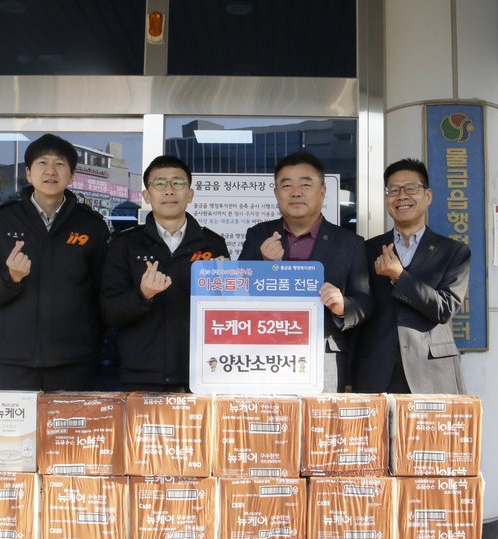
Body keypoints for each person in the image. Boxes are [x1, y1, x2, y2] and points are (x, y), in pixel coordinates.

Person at [0, 133, 109, 391]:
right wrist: (10, 277)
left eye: (59, 164)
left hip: (74, 362)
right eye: (42, 163)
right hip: (13, 362)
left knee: (70, 420)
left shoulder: (91, 225)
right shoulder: (1, 221)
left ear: (72, 176)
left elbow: (103, 295)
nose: (51, 171)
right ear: (29, 173)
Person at [238, 151, 371, 392]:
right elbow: (237, 296)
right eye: (286, 185)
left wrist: (342, 306)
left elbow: (365, 303)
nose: (296, 192)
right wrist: (265, 269)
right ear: (276, 193)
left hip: (325, 361)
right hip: (264, 357)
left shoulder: (350, 243)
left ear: (322, 191)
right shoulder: (258, 235)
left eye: (306, 185)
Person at [101, 155, 229, 392]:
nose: (169, 190)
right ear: (146, 195)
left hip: (201, 374)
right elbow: (110, 314)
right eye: (159, 183)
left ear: (190, 194)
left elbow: (227, 315)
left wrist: (226, 288)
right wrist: (142, 295)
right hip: (141, 375)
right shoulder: (125, 245)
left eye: (177, 183)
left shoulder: (213, 244)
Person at [352, 158, 471, 394]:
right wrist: (348, 375)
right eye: (393, 190)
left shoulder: (453, 251)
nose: (401, 196)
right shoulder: (366, 249)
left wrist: (399, 277)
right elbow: (359, 314)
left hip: (431, 372)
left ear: (428, 196)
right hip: (375, 371)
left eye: (411, 189)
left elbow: (445, 309)